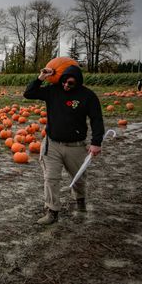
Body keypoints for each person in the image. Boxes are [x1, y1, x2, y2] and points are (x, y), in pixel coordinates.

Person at [24, 65, 104, 225]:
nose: (66, 85)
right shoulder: (53, 90)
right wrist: (41, 77)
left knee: (79, 178)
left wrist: (96, 143)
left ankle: (80, 201)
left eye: (71, 83)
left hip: (76, 146)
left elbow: (97, 119)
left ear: (78, 82)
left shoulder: (88, 96)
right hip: (52, 144)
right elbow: (29, 94)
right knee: (50, 178)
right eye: (64, 82)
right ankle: (52, 211)